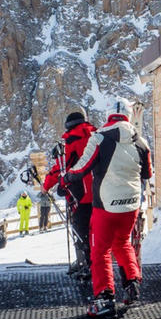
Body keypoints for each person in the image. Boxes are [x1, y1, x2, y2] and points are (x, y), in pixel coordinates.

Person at [71, 108, 154, 319]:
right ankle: (132, 282)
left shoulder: (98, 138)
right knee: (123, 242)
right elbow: (147, 173)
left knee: (100, 251)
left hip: (105, 205)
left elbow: (81, 168)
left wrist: (66, 178)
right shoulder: (141, 143)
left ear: (108, 115)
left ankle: (105, 298)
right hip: (131, 205)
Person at [42, 109, 99, 282]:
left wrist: (47, 186)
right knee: (95, 231)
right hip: (100, 192)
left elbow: (61, 167)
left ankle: (87, 264)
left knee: (80, 231)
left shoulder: (71, 140)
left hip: (79, 195)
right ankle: (93, 263)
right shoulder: (97, 135)